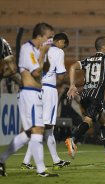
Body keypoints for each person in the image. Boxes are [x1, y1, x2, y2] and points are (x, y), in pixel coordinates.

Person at [0, 23, 58, 177]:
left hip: (35, 93)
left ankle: (1, 159)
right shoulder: (28, 49)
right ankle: (41, 170)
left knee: (28, 133)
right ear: (39, 36)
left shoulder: (38, 50)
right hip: (29, 94)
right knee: (38, 129)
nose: (50, 41)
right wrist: (43, 53)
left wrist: (44, 54)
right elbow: (36, 71)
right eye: (49, 37)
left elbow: (44, 68)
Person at [65, 36, 105, 163]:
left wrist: (72, 85)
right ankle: (73, 140)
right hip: (96, 97)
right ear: (103, 46)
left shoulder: (89, 59)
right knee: (88, 121)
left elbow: (72, 67)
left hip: (85, 96)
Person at [21, 32, 71, 170]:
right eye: (64, 45)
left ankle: (55, 160)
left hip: (36, 89)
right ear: (60, 41)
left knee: (47, 128)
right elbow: (61, 75)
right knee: (45, 127)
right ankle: (26, 161)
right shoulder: (58, 51)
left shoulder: (39, 48)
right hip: (48, 90)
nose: (63, 48)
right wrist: (72, 83)